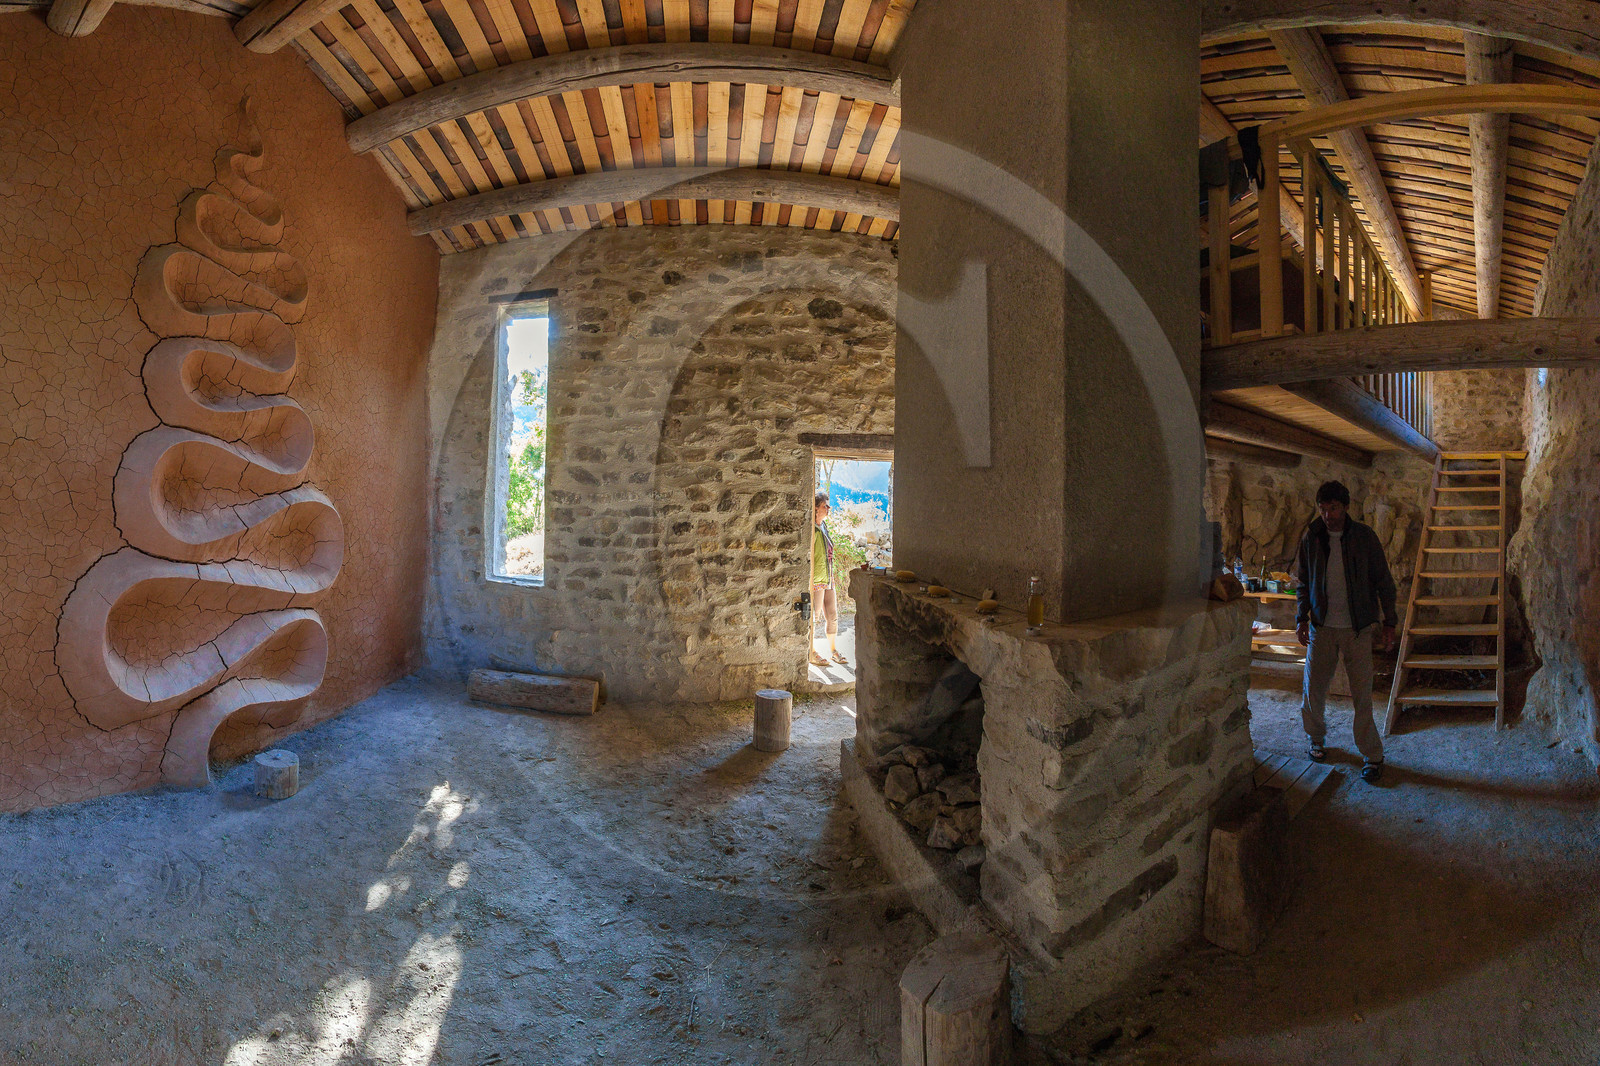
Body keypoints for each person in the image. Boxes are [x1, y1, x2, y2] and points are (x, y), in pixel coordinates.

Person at [1294, 480, 1398, 783]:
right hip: (1322, 627)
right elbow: (1303, 582)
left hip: (1357, 629)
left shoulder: (1364, 538)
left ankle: (1372, 754)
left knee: (1362, 694)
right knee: (1313, 688)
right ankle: (1316, 739)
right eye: (1323, 509)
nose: (1328, 515)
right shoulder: (1312, 538)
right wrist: (1301, 617)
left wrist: (1389, 622)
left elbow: (1383, 582)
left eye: (1334, 508)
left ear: (1346, 507)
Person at [811, 494, 847, 667]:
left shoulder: (823, 526)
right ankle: (811, 652)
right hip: (817, 578)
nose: (829, 508)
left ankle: (833, 651)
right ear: (816, 508)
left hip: (828, 577)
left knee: (832, 616)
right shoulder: (812, 529)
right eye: (826, 506)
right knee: (814, 616)